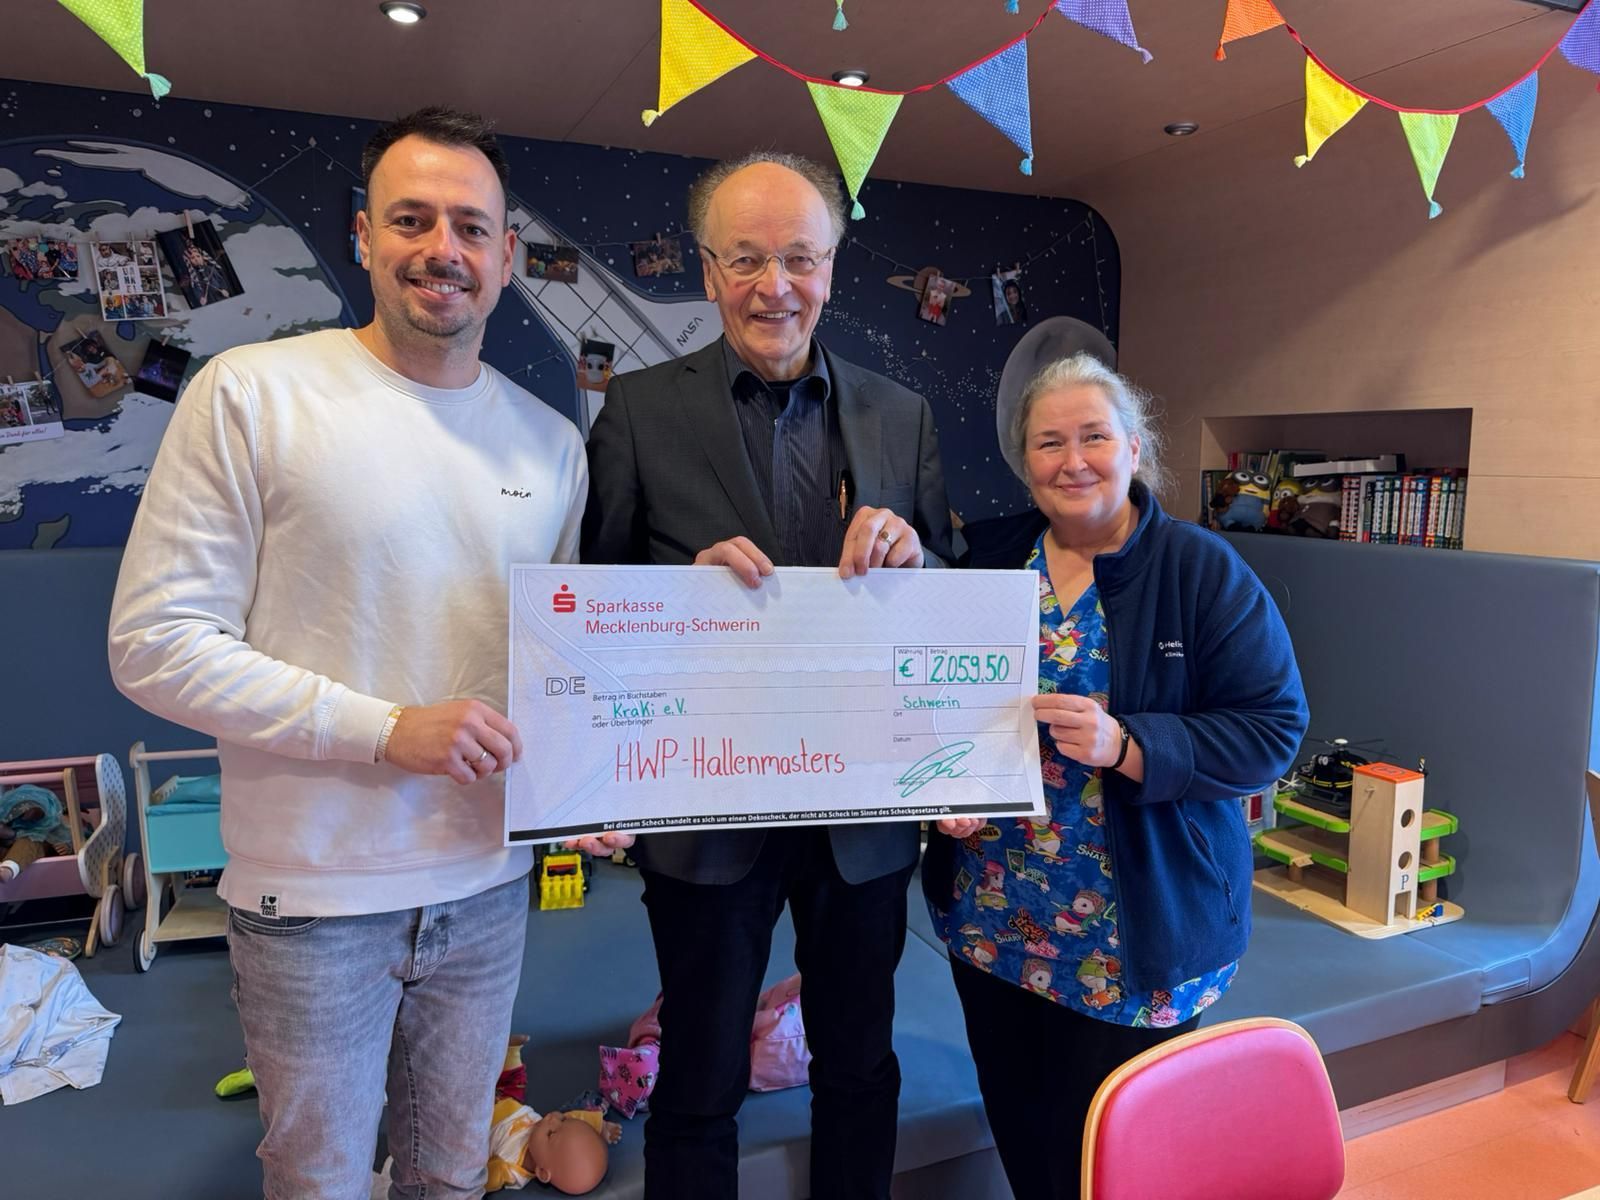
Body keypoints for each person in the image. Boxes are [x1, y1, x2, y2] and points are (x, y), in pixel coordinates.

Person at [108, 106, 619, 1199]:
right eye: (411, 218)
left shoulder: (550, 443)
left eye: (471, 227)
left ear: (507, 256)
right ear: (363, 234)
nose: (444, 248)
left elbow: (554, 668)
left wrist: (590, 780)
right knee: (320, 1180)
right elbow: (155, 645)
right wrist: (385, 731)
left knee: (452, 1175)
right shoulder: (252, 393)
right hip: (312, 896)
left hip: (489, 887)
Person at [582, 150, 956, 1200]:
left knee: (860, 1065)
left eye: (798, 257)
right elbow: (593, 606)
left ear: (831, 267)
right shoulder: (638, 411)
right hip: (706, 817)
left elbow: (951, 596)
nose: (773, 285)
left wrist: (920, 561)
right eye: (745, 258)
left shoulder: (901, 414)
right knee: (699, 1080)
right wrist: (677, 595)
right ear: (707, 272)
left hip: (861, 818)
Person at [923, 351, 1308, 1199]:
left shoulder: (1200, 570)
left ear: (1135, 447)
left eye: (1094, 436)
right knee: (1026, 1139)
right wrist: (940, 794)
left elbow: (1273, 729)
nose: (1073, 461)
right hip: (993, 922)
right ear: (1025, 462)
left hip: (1135, 940)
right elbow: (932, 701)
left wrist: (1129, 744)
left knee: (1121, 1166)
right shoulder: (987, 556)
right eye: (1049, 443)